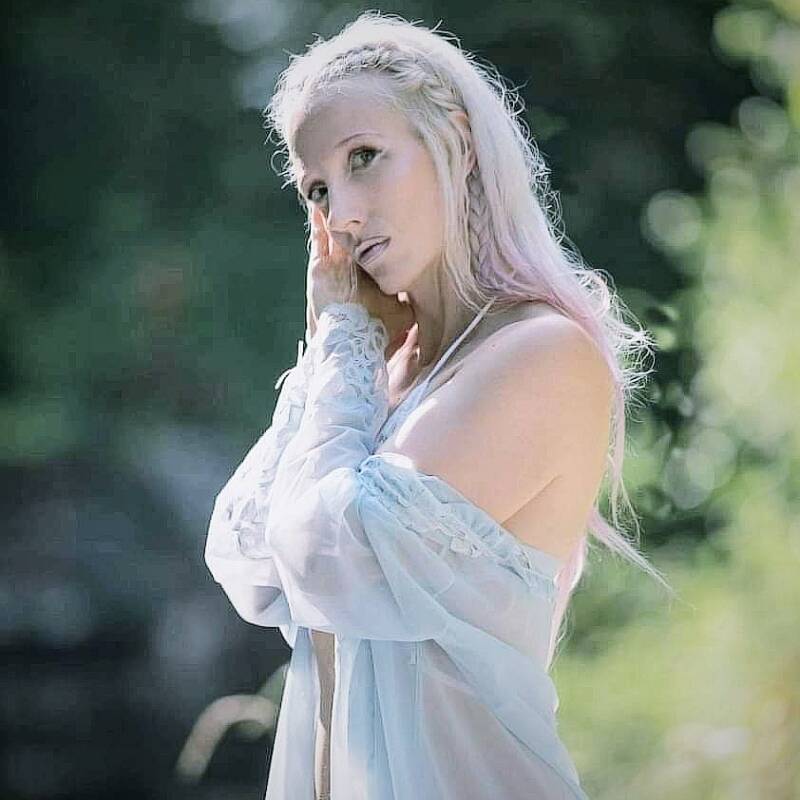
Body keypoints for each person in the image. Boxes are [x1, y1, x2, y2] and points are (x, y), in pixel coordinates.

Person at [205, 11, 674, 799]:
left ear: (454, 140)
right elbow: (248, 560)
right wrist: (339, 347)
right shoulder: (371, 377)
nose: (342, 216)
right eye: (318, 189)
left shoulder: (540, 354)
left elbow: (324, 560)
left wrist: (345, 338)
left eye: (364, 158)